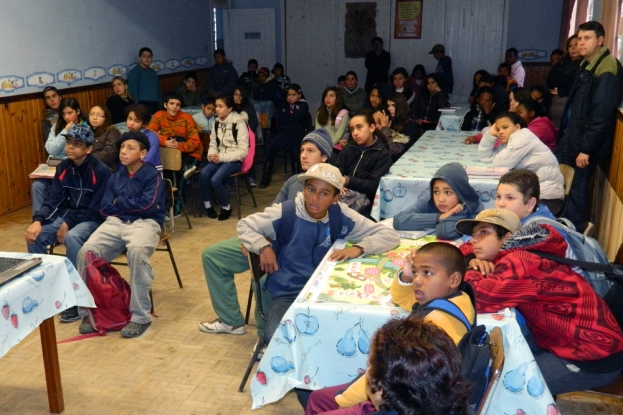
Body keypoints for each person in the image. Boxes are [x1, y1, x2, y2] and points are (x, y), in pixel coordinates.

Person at [457, 209, 623, 395]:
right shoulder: (525, 251)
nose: (473, 240)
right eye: (473, 235)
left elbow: (478, 298)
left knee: (500, 387)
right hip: (575, 346)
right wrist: (472, 258)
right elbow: (461, 251)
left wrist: (472, 269)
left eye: (483, 232)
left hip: (591, 359)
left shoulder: (522, 261)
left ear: (508, 237)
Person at [237, 163, 399, 344]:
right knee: (276, 338)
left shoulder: (340, 215)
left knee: (345, 335)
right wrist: (263, 247)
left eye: (324, 193)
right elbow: (244, 225)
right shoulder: (286, 213)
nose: (315, 198)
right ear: (304, 189)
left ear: (336, 197)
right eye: (311, 189)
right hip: (288, 294)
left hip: (327, 292)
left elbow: (389, 234)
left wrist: (359, 248)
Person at [305, 242, 475, 415]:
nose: (417, 280)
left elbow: (387, 375)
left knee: (319, 400)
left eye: (427, 273)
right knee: (320, 398)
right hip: (415, 391)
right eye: (415, 272)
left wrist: (342, 400)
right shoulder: (457, 300)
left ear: (454, 279)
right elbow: (403, 299)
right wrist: (405, 277)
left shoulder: (437, 321)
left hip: (400, 401)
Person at [198, 129, 334, 337]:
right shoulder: (293, 181)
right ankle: (231, 321)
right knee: (213, 256)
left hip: (292, 252)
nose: (304, 155)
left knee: (265, 279)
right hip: (267, 242)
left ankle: (265, 337)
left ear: (324, 156)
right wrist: (254, 239)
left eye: (311, 150)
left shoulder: (331, 187)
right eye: (301, 150)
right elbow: (270, 214)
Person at [77, 131, 165, 338]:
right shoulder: (116, 176)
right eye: (122, 147)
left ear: (143, 153)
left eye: (130, 148)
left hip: (146, 223)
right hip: (115, 221)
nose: (123, 152)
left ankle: (141, 316)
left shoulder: (153, 175)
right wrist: (125, 206)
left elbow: (149, 207)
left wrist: (121, 203)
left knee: (136, 251)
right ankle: (90, 312)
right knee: (87, 251)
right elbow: (105, 208)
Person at [25, 124, 110, 323]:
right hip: (69, 215)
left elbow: (98, 210)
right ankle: (44, 288)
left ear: (88, 149)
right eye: (69, 142)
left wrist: (68, 223)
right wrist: (38, 221)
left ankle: (75, 297)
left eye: (77, 144)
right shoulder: (63, 168)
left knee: (72, 237)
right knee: (34, 235)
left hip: (93, 219)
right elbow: (53, 200)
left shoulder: (101, 171)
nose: (71, 147)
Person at [555, 21, 623, 233]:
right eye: (579, 38)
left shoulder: (607, 68)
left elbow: (601, 115)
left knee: (577, 189)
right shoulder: (587, 63)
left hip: (585, 142)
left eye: (587, 38)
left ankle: (574, 233)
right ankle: (564, 224)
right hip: (573, 134)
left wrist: (586, 148)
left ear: (600, 40)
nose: (581, 43)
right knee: (565, 182)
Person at [478, 112, 565, 214]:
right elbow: (485, 157)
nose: (500, 132)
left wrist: (491, 133)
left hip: (547, 198)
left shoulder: (522, 137)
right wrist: (490, 135)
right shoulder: (510, 141)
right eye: (498, 129)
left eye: (505, 127)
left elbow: (500, 163)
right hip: (533, 193)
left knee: (501, 211)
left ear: (517, 127)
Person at [393, 163, 483, 240]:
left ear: (460, 192)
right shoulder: (430, 199)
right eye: (436, 191)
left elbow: (444, 232)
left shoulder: (474, 205)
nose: (440, 199)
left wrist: (458, 211)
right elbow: (398, 220)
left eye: (448, 192)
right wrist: (439, 217)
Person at [33, 98, 89, 214]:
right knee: (37, 186)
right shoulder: (57, 127)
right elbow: (50, 149)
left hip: (72, 169)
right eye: (63, 114)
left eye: (70, 113)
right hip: (54, 167)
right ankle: (38, 220)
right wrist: (64, 132)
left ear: (77, 112)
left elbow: (77, 153)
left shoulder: (85, 127)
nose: (67, 117)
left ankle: (61, 216)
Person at [200, 95, 248, 221]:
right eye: (216, 106)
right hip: (219, 157)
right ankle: (207, 205)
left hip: (234, 160)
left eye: (220, 106)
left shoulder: (239, 122)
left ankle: (226, 207)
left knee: (215, 180)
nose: (217, 109)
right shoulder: (216, 122)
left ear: (230, 108)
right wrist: (212, 155)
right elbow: (213, 143)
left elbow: (243, 151)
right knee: (204, 173)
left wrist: (220, 157)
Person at [336, 111, 392, 212]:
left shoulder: (382, 153)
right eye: (352, 129)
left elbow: (374, 185)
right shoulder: (349, 148)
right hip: (342, 193)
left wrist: (348, 180)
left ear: (372, 128)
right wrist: (338, 183)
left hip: (366, 203)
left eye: (359, 127)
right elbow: (337, 169)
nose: (355, 133)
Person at [259, 84, 309, 188]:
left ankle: (296, 181)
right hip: (284, 133)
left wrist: (287, 116)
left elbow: (298, 116)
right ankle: (265, 178)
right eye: (289, 95)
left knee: (295, 153)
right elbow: (277, 117)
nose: (291, 97)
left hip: (297, 133)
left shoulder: (304, 105)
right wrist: (292, 119)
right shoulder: (283, 104)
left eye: (293, 95)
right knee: (271, 148)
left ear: (299, 95)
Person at [147, 92, 202, 168]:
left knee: (177, 167)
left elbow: (195, 142)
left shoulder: (187, 118)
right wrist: (165, 141)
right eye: (172, 103)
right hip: (169, 150)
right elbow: (149, 133)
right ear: (165, 105)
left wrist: (177, 146)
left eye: (178, 105)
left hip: (190, 152)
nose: (174, 107)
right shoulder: (159, 115)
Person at [547, 35, 582, 127]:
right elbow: (550, 80)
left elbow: (575, 84)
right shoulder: (562, 62)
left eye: (576, 45)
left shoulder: (584, 64)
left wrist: (560, 90)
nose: (573, 48)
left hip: (571, 108)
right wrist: (566, 82)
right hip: (554, 106)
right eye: (570, 46)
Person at [374, 92, 418, 160]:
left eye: (393, 105)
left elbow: (394, 152)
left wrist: (385, 128)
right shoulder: (392, 121)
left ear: (400, 106)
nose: (390, 108)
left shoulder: (410, 125)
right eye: (388, 106)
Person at [124, 104, 162, 171]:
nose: (131, 123)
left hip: (151, 172)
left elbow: (149, 159)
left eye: (137, 121)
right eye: (129, 119)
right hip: (130, 171)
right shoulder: (126, 136)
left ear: (144, 124)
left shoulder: (151, 136)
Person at [127, 47, 161, 114]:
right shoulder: (134, 72)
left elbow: (159, 90)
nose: (147, 59)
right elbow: (133, 92)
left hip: (155, 104)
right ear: (140, 58)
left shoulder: (153, 73)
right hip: (142, 104)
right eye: (144, 56)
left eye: (149, 56)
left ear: (152, 58)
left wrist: (160, 104)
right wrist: (137, 107)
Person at [88, 104, 120, 173]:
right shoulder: (87, 131)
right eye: (92, 114)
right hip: (88, 167)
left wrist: (87, 160)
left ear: (106, 117)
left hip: (105, 169)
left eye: (99, 115)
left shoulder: (112, 132)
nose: (94, 118)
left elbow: (109, 154)